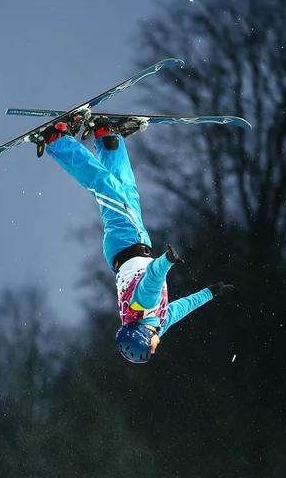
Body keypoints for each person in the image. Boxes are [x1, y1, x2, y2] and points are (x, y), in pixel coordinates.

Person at [40, 115, 234, 364]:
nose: (155, 349)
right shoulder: (157, 323)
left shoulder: (143, 305)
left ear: (143, 336)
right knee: (125, 190)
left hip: (127, 241)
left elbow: (154, 278)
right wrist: (210, 293)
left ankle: (57, 140)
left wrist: (168, 261)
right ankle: (107, 137)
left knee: (105, 186)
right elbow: (181, 309)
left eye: (150, 350)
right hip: (128, 247)